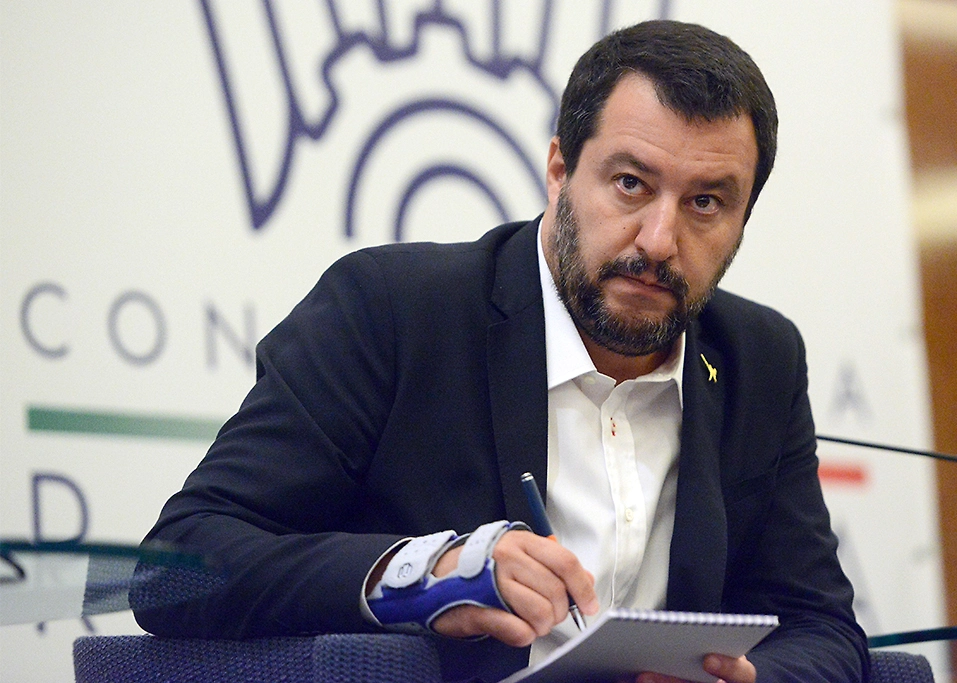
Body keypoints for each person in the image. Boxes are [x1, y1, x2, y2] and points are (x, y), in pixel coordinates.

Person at [135, 20, 869, 683]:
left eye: (705, 202)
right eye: (630, 184)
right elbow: (177, 568)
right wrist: (427, 573)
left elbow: (823, 628)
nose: (658, 241)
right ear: (559, 171)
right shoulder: (393, 311)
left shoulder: (758, 359)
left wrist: (746, 680)